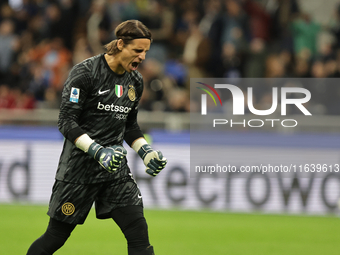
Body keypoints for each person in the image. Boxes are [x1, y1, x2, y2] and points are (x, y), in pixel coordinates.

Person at [26, 20, 167, 255]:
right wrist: (98, 152)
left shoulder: (136, 81)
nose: (143, 57)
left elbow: (129, 125)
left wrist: (145, 151)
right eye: (138, 50)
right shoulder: (86, 72)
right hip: (79, 171)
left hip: (114, 172)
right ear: (121, 44)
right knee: (55, 238)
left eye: (146, 52)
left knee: (138, 233)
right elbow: (66, 121)